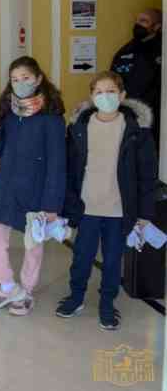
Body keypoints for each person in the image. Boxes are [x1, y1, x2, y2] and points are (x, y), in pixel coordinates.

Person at [58, 71, 157, 330]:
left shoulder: (136, 130)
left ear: (122, 95)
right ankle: (76, 296)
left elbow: (147, 175)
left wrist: (144, 213)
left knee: (113, 261)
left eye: (111, 91)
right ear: (91, 97)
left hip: (119, 210)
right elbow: (70, 169)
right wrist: (67, 206)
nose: (106, 96)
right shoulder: (80, 127)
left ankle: (106, 303)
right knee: (81, 257)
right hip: (87, 207)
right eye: (99, 92)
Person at [0, 56, 66, 316]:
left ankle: (26, 291)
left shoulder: (52, 119)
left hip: (37, 189)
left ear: (39, 79)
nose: (20, 83)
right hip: (4, 185)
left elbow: (57, 165)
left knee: (33, 244)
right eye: (15, 79)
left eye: (25, 78)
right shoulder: (6, 113)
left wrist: (52, 205)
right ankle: (8, 286)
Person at [110, 8, 162, 149]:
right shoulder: (125, 51)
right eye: (137, 20)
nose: (138, 24)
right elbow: (112, 81)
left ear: (157, 26)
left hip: (156, 117)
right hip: (127, 114)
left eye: (144, 21)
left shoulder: (161, 49)